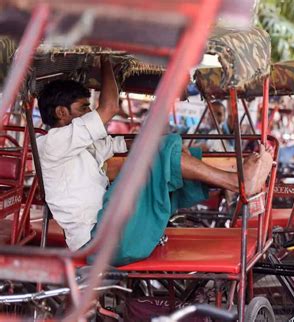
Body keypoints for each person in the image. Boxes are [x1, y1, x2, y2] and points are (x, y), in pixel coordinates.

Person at [37, 56, 273, 265]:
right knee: (160, 150)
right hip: (101, 241)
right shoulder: (53, 144)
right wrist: (106, 58)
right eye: (83, 108)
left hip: (108, 234)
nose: (89, 113)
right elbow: (109, 106)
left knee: (165, 147)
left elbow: (114, 144)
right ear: (61, 113)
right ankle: (237, 183)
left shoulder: (76, 144)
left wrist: (166, 144)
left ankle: (235, 181)